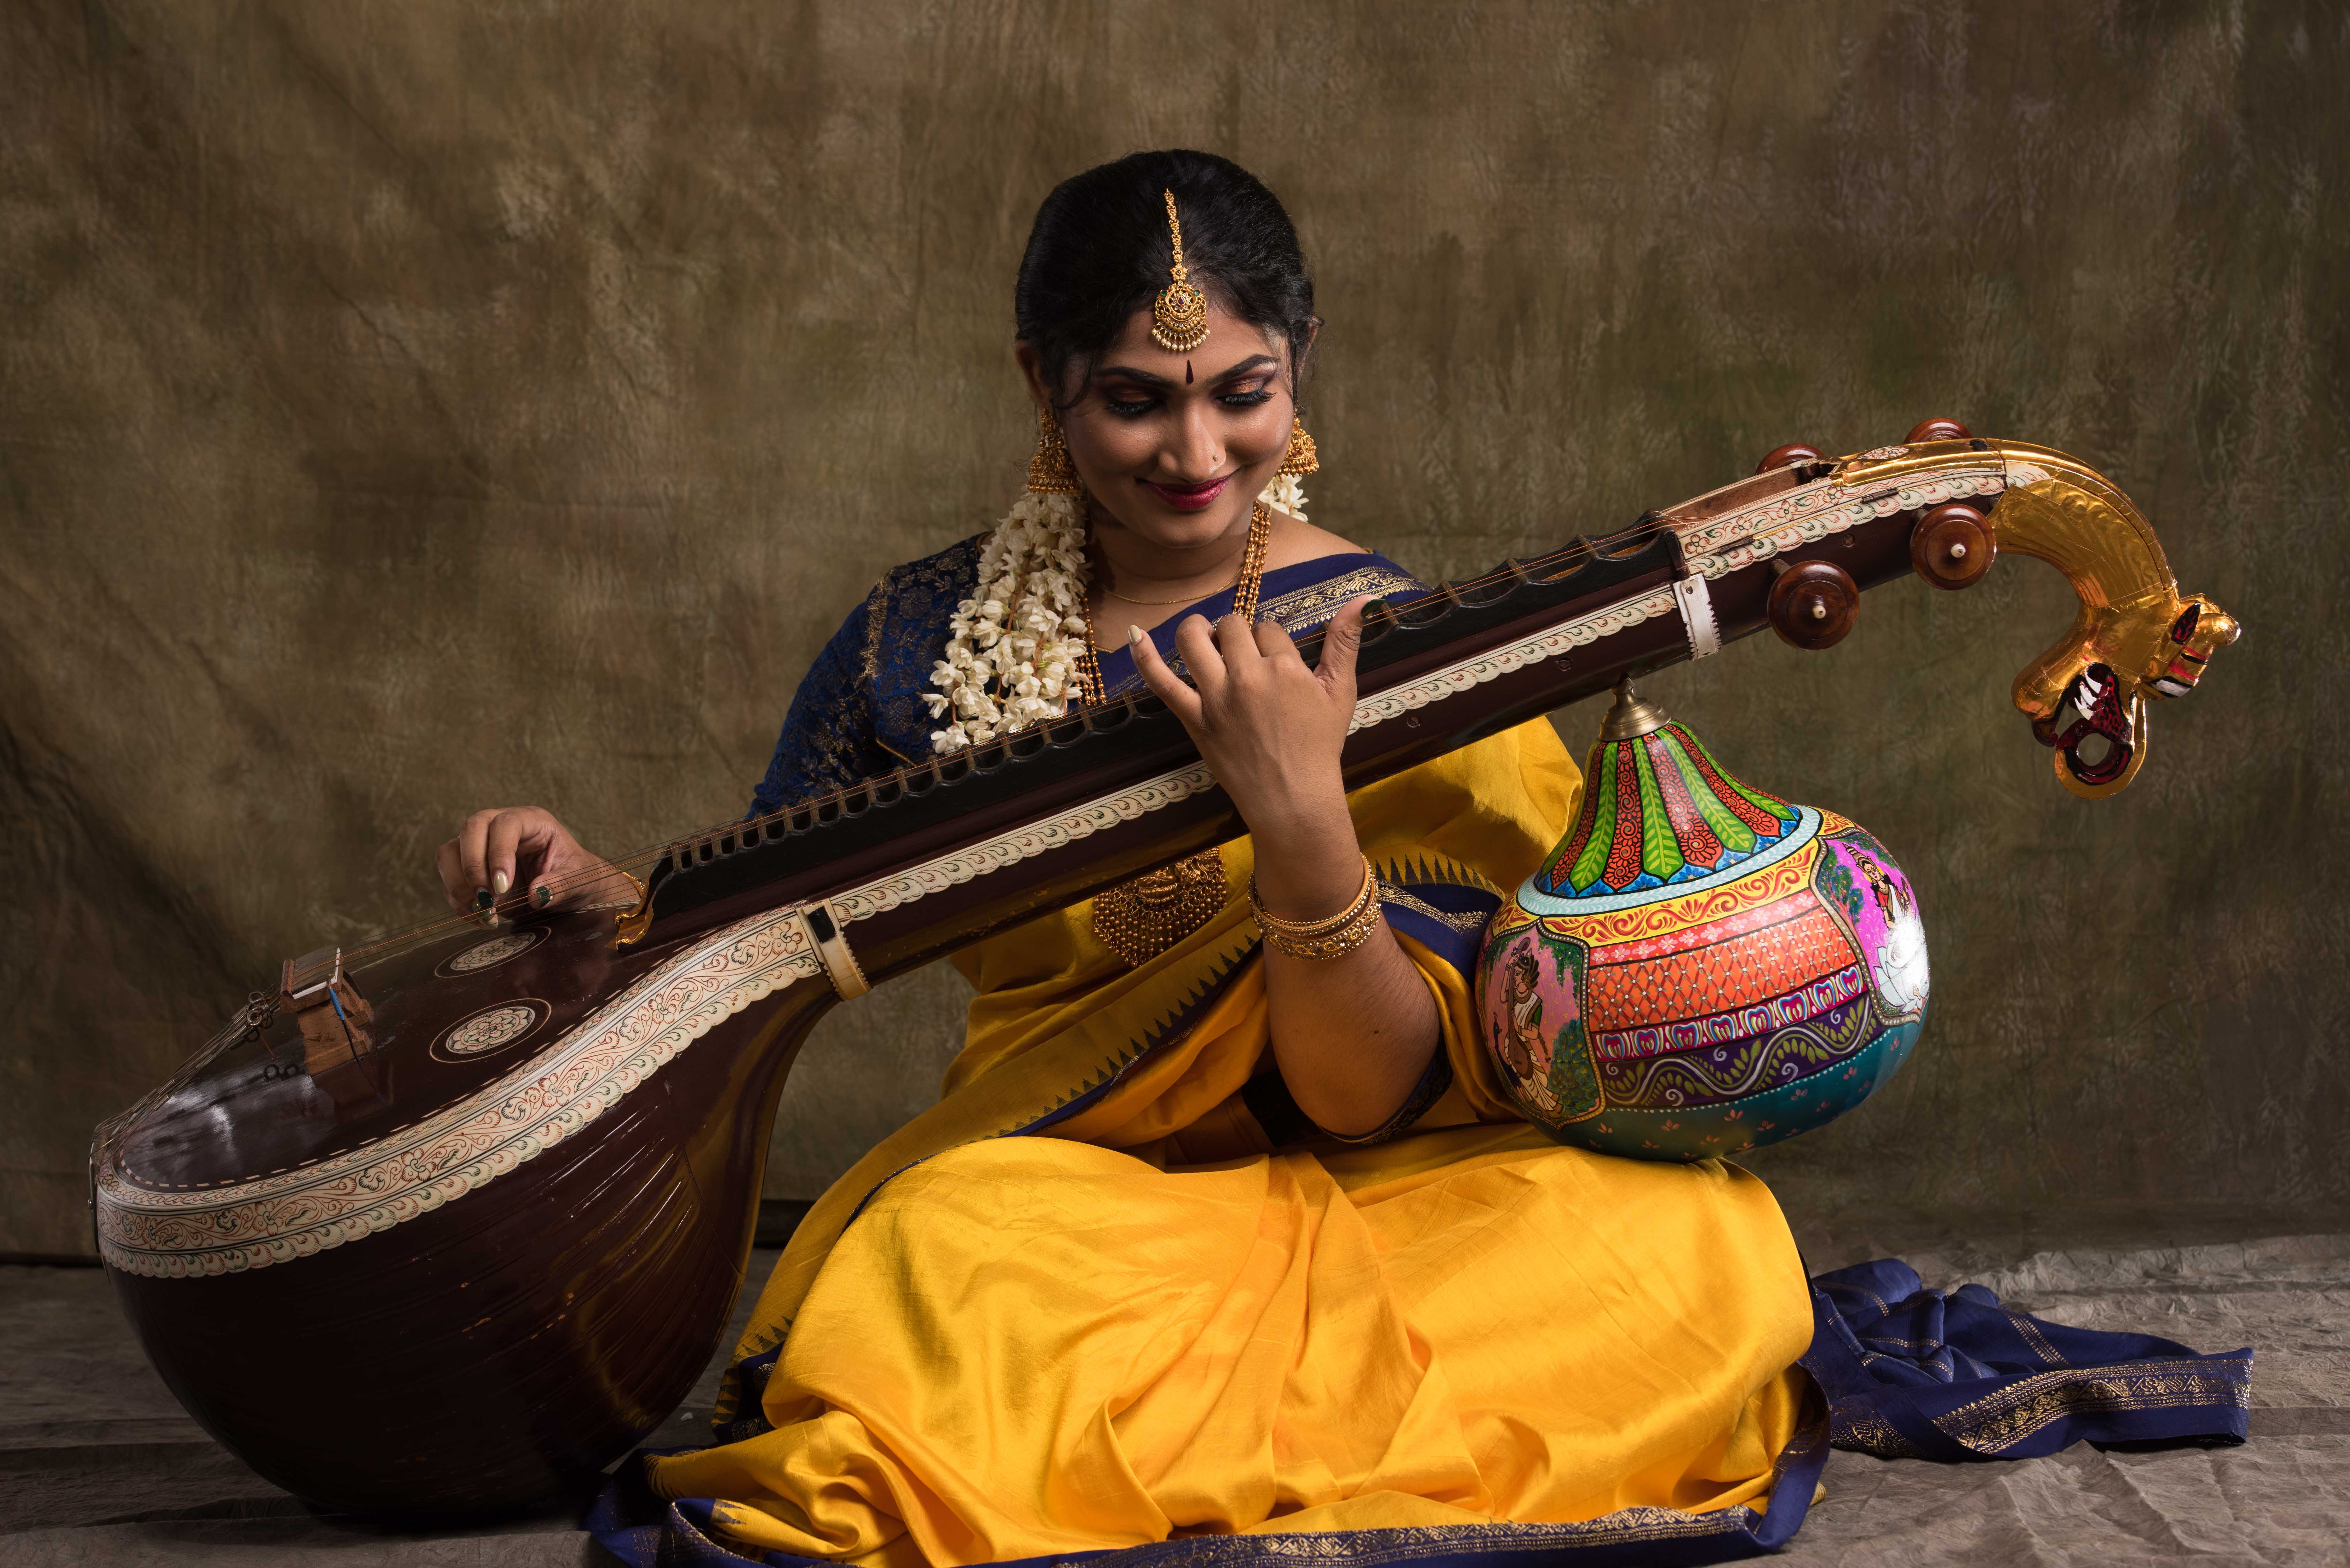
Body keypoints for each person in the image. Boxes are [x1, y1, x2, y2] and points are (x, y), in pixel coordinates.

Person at [434, 152, 2244, 1568]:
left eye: (1241, 388)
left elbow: (1378, 1107)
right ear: (1042, 391)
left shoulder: (1397, 649)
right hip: (1070, 1201)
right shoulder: (917, 644)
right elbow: (742, 911)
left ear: (1297, 373)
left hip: (1401, 1197)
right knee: (935, 1272)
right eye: (1138, 399)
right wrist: (596, 883)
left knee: (1675, 1259)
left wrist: (1306, 845)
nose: (1195, 446)